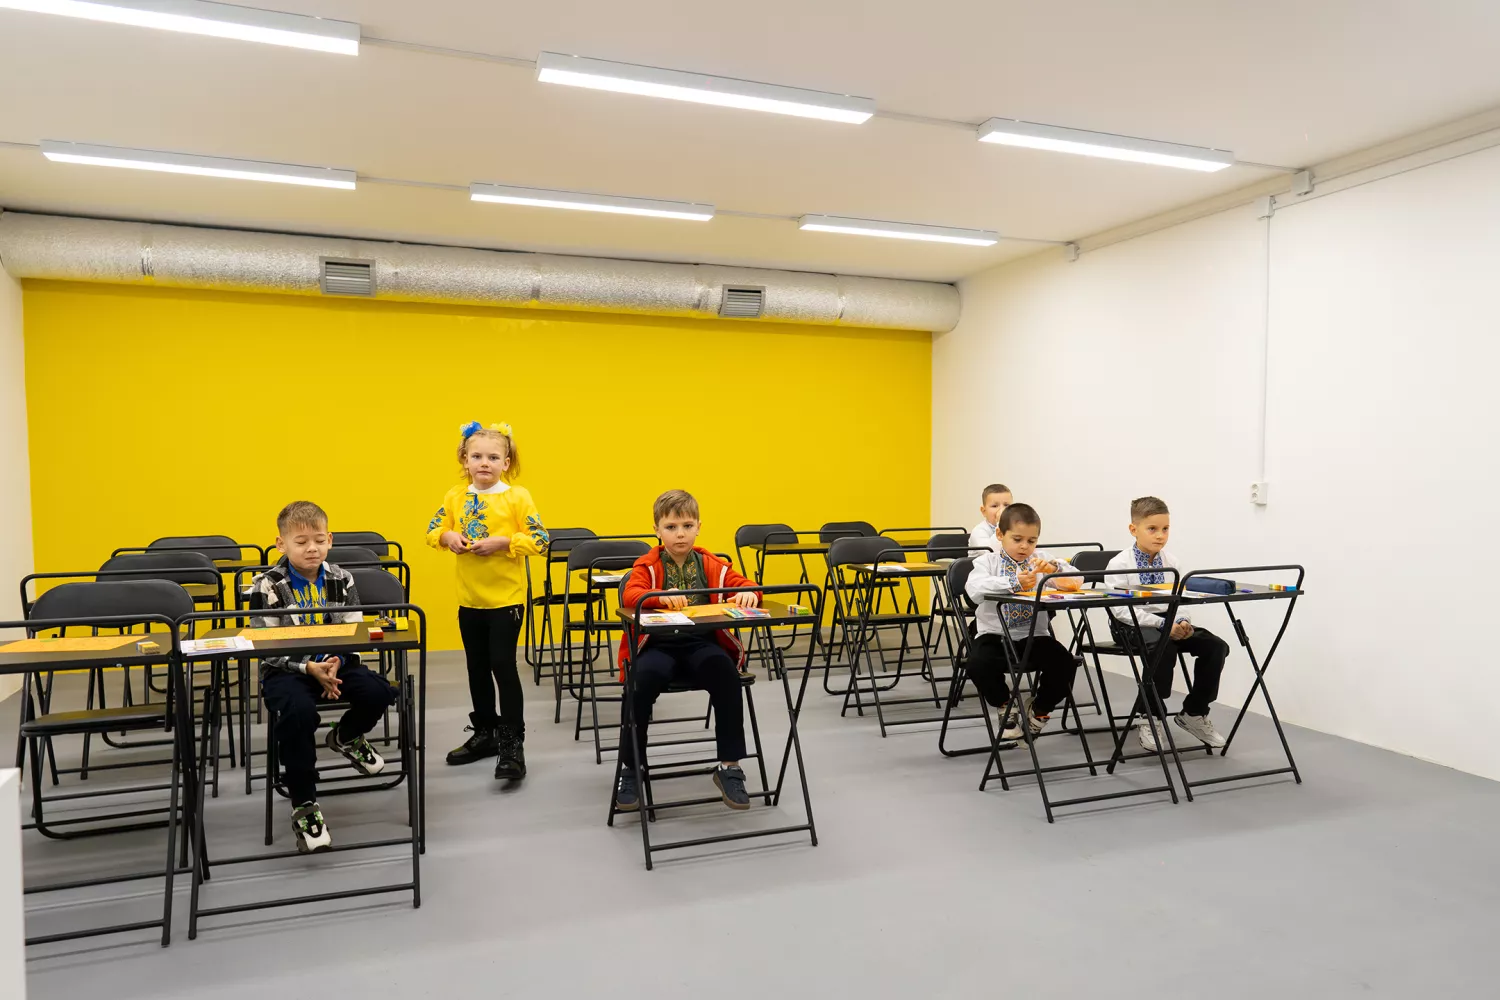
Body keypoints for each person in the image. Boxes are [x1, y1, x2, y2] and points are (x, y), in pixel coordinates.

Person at [251, 500, 395, 854]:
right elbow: (264, 645)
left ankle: (345, 736)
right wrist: (308, 668)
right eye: (300, 542)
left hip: (336, 662)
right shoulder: (265, 585)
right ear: (280, 544)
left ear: (329, 539)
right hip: (288, 670)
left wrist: (335, 661)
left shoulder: (341, 578)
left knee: (379, 692)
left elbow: (355, 628)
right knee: (299, 714)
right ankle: (304, 803)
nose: (311, 548)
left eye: (318, 540)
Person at [613, 489, 759, 813]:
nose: (680, 534)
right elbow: (631, 594)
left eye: (687, 525)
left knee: (725, 674)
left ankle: (729, 767)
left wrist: (748, 593)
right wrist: (658, 596)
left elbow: (743, 583)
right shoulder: (648, 565)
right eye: (671, 527)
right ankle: (632, 768)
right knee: (641, 680)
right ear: (657, 530)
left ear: (698, 527)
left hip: (699, 644)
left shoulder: (711, 563)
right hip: (657, 644)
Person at [427, 421, 549, 780]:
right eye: (476, 456)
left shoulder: (517, 497)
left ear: (506, 463)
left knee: (502, 666)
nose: (484, 462)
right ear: (465, 460)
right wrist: (447, 536)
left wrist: (505, 543)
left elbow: (541, 540)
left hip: (506, 601)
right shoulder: (455, 496)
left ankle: (512, 743)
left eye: (493, 457)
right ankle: (485, 732)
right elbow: (432, 530)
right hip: (470, 600)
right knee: (476, 668)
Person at [1105, 496, 1229, 752]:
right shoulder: (1119, 564)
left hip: (1167, 620)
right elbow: (1120, 610)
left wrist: (1181, 620)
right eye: (1152, 529)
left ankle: (1194, 712)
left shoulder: (1172, 562)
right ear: (1133, 529)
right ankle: (1149, 715)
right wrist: (1162, 626)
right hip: (1132, 624)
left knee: (1215, 646)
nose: (1160, 535)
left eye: (1165, 529)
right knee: (1163, 647)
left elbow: (1180, 599)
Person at [963, 502, 1081, 741]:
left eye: (1031, 541)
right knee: (977, 664)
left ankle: (1039, 710)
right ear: (1000, 535)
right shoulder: (988, 562)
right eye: (1017, 539)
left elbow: (1077, 581)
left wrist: (1055, 570)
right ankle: (1005, 704)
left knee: (1065, 664)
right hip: (995, 635)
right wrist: (1014, 583)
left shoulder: (1042, 560)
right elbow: (973, 590)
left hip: (1034, 636)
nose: (1024, 546)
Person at [968, 483, 1013, 552]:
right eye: (995, 506)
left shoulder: (1014, 527)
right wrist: (1000, 523)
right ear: (984, 511)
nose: (1002, 510)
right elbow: (991, 553)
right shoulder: (979, 531)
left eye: (1006, 505)